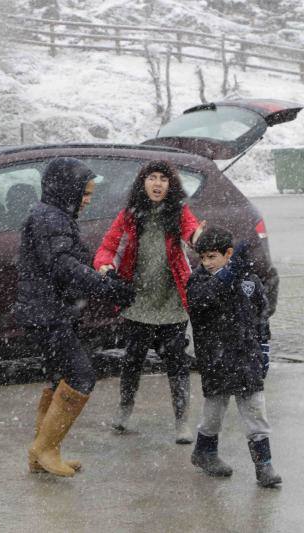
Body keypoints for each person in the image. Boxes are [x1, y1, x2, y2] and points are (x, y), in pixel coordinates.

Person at [16, 157, 134, 477]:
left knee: (59, 380)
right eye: (84, 193)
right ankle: (45, 448)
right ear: (66, 190)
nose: (87, 200)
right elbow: (63, 266)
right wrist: (106, 289)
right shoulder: (50, 219)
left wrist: (105, 273)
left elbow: (76, 258)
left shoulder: (53, 215)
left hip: (47, 312)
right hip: (47, 314)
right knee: (81, 376)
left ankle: (41, 452)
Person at [94, 160, 205, 444]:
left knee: (177, 363)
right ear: (143, 183)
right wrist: (105, 266)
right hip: (139, 301)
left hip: (171, 301)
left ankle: (182, 421)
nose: (157, 184)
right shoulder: (129, 216)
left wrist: (199, 238)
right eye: (152, 178)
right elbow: (107, 247)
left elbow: (193, 232)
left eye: (163, 179)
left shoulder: (179, 212)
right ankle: (124, 410)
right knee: (133, 361)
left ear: (171, 185)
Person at [187, 226, 281, 487]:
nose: (206, 263)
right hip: (215, 358)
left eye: (212, 257)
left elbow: (262, 316)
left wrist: (263, 349)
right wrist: (229, 271)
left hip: (246, 356)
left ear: (228, 253)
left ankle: (264, 466)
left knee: (255, 411)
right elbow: (204, 298)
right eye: (202, 257)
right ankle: (205, 452)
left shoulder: (249, 281)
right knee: (214, 411)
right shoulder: (199, 281)